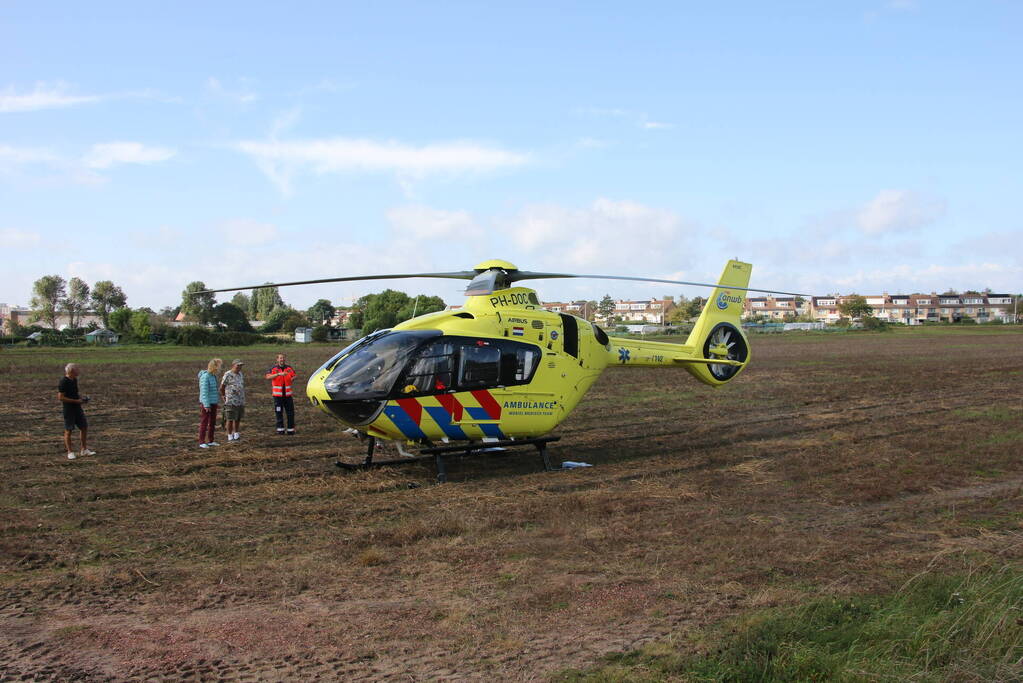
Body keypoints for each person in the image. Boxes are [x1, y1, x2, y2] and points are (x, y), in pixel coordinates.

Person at [57, 363, 95, 460]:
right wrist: (75, 401)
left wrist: (81, 399)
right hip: (69, 409)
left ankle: (84, 449)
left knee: (84, 427)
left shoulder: (74, 380)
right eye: (77, 369)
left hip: (77, 408)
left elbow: (75, 393)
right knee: (68, 430)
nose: (79, 371)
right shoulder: (63, 382)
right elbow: (61, 397)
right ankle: (70, 452)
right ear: (71, 371)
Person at [265, 352, 296, 434]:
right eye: (280, 358)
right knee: (279, 412)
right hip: (278, 396)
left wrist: (291, 378)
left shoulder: (289, 368)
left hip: (288, 395)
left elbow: (294, 375)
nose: (282, 359)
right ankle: (280, 430)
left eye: (283, 358)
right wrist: (278, 374)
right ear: (277, 359)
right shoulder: (273, 368)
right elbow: (268, 377)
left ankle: (290, 430)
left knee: (290, 413)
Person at [198, 358, 222, 448]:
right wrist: (206, 404)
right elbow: (204, 392)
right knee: (204, 422)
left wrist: (215, 401)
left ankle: (211, 440)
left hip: (213, 402)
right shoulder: (205, 377)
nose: (219, 368)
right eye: (218, 366)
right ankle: (202, 442)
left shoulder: (213, 376)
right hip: (207, 404)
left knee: (212, 422)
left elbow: (214, 391)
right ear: (214, 366)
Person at [220, 359, 246, 442]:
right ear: (233, 365)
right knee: (230, 418)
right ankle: (230, 436)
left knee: (238, 418)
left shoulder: (240, 374)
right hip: (231, 400)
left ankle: (236, 434)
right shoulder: (227, 374)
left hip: (240, 400)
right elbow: (222, 387)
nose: (239, 367)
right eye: (238, 365)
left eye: (240, 365)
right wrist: (223, 396)